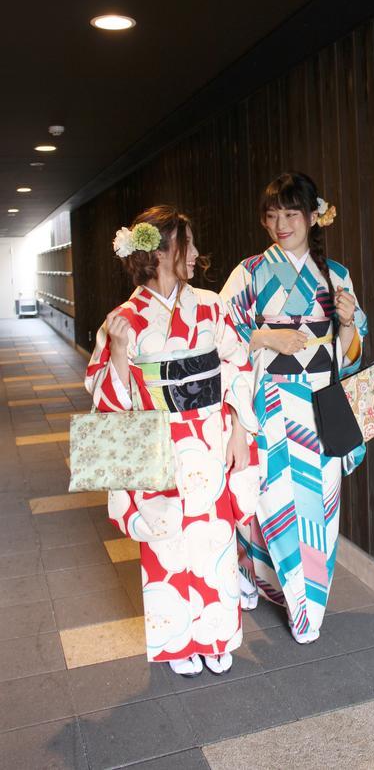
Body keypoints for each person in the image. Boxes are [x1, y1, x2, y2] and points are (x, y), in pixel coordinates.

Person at [85, 205, 260, 677]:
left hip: (208, 437)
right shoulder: (123, 318)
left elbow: (240, 364)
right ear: (161, 252)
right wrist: (119, 352)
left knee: (213, 539)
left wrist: (241, 430)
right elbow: (103, 395)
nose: (197, 253)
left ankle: (217, 634)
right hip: (157, 440)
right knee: (166, 539)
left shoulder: (209, 305)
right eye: (188, 243)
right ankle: (178, 642)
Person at [221, 173, 368, 644]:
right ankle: (258, 574)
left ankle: (307, 606)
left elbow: (353, 352)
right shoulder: (249, 271)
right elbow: (219, 335)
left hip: (322, 402)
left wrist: (346, 324)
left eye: (290, 214)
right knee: (273, 498)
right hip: (272, 400)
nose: (280, 224)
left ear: (311, 216)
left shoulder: (337, 275)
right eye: (272, 215)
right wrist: (265, 336)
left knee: (319, 507)